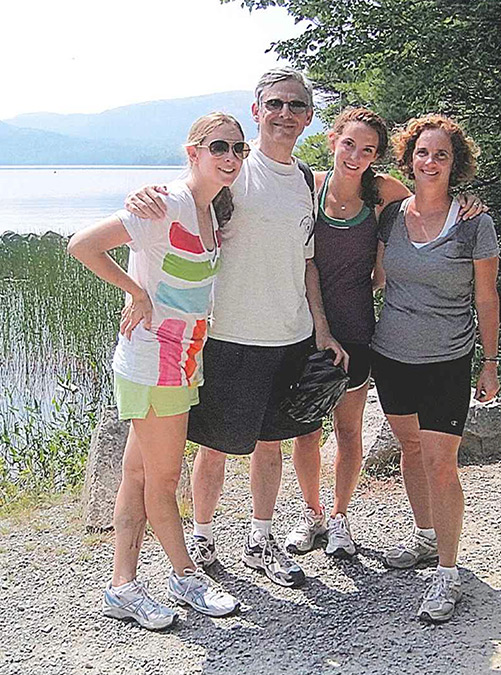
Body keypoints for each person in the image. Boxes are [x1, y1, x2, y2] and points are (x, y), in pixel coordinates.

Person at [124, 68, 346, 590]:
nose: (285, 114)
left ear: (309, 118)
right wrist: (142, 199)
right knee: (214, 445)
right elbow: (182, 192)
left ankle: (260, 538)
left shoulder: (306, 182)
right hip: (226, 333)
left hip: (287, 334)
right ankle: (202, 536)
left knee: (271, 444)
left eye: (296, 106)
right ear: (257, 110)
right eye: (275, 104)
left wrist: (322, 329)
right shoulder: (234, 170)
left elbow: (307, 262)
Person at [68, 113, 246, 630]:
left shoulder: (211, 209)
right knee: (164, 479)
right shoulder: (164, 204)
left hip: (184, 357)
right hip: (154, 361)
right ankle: (186, 575)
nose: (230, 157)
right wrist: (135, 291)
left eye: (238, 148)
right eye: (219, 147)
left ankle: (122, 585)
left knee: (139, 474)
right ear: (192, 151)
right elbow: (82, 244)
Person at [286, 108, 486, 559]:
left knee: (349, 431)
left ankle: (339, 517)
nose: (356, 155)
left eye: (368, 149)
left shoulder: (382, 194)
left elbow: (432, 195)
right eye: (348, 144)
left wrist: (469, 203)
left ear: (378, 157)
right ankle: (312, 514)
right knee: (304, 433)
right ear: (333, 140)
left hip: (358, 327)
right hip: (303, 327)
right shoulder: (306, 188)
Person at [371, 114, 500, 623]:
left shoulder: (474, 222)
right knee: (409, 448)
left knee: (442, 465)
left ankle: (447, 572)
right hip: (390, 355)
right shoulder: (390, 217)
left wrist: (490, 363)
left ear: (455, 164)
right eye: (422, 153)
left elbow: (487, 298)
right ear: (408, 159)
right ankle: (425, 540)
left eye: (441, 155)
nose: (430, 162)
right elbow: (375, 278)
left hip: (448, 359)